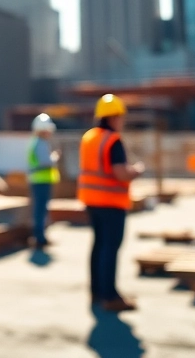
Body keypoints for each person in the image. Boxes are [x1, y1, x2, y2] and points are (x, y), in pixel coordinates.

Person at [78, 94, 143, 312]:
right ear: (114, 117)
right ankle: (110, 296)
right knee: (110, 248)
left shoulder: (89, 137)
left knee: (98, 246)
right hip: (111, 202)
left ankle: (97, 292)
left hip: (91, 200)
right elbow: (120, 173)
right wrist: (136, 171)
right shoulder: (112, 140)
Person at [28, 113, 61, 249]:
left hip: (38, 180)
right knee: (40, 210)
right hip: (41, 181)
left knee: (40, 210)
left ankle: (40, 236)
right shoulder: (40, 143)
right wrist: (55, 157)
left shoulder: (36, 142)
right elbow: (46, 162)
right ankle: (40, 238)